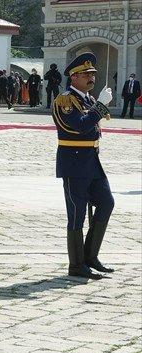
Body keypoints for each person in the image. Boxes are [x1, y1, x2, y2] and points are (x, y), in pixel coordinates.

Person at [53, 52, 115, 279]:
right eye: (86, 74)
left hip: (92, 163)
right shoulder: (65, 100)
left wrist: (96, 105)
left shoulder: (88, 100)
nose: (91, 78)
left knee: (107, 203)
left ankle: (90, 256)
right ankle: (76, 264)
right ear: (74, 76)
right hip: (74, 164)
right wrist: (100, 106)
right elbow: (80, 126)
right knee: (77, 214)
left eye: (93, 74)